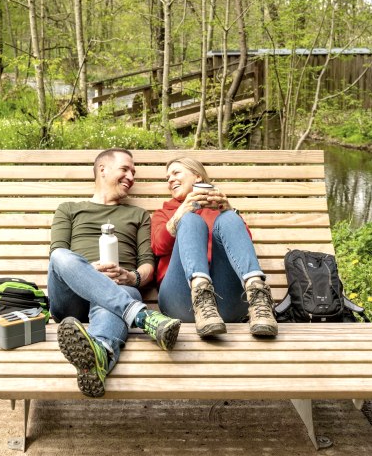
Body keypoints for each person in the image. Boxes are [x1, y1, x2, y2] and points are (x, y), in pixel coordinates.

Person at [48, 148, 181, 398]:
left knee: (119, 294)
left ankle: (101, 354)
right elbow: (58, 255)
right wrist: (91, 271)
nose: (131, 177)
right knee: (59, 257)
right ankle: (141, 317)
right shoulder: (69, 209)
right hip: (71, 301)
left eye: (134, 173)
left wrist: (132, 277)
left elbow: (147, 264)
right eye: (125, 169)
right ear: (102, 170)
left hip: (121, 287)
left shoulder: (138, 215)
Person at [151, 157, 278, 337]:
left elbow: (243, 247)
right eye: (167, 178)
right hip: (179, 301)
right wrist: (180, 214)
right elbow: (158, 247)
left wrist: (228, 210)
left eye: (176, 173)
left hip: (227, 303)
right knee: (190, 220)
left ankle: (259, 299)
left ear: (197, 177)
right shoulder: (163, 213)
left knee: (230, 218)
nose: (170, 180)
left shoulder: (220, 210)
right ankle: (201, 293)